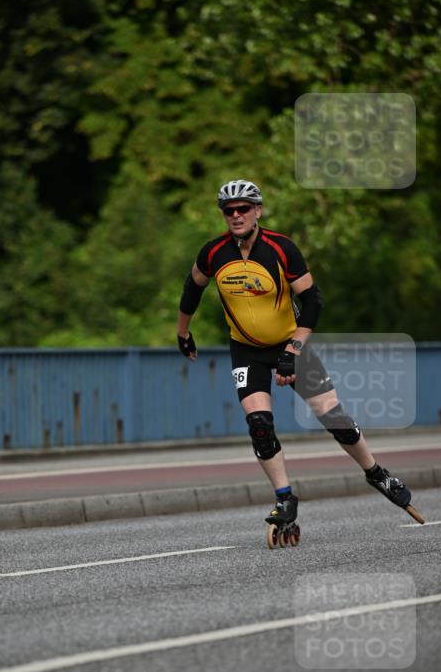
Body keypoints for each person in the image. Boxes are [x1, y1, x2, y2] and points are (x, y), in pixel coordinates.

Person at [177, 178, 416, 537]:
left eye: (244, 209)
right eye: (229, 211)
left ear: (257, 210)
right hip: (245, 349)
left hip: (290, 344)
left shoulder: (281, 248)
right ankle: (285, 497)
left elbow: (313, 301)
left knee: (333, 417)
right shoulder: (213, 253)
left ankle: (376, 472)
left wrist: (293, 350)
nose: (236, 215)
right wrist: (183, 332)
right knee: (259, 426)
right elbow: (192, 287)